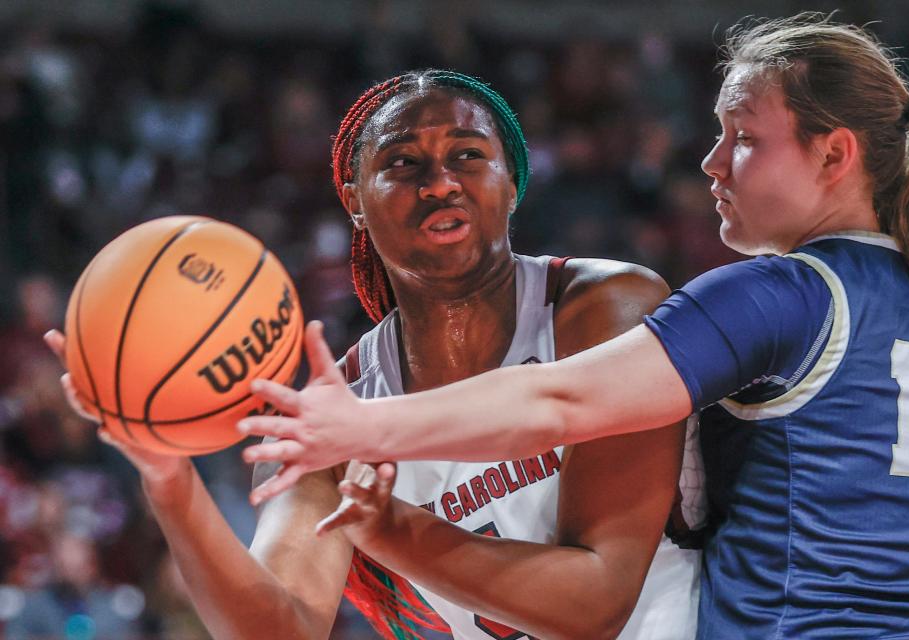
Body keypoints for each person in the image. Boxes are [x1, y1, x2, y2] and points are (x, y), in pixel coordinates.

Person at [239, 16, 909, 639]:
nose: (710, 162)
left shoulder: (782, 295)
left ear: (835, 154)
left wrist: (362, 428)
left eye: (741, 137)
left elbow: (561, 401)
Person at [48, 69, 704, 639]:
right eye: (402, 163)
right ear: (354, 201)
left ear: (512, 183)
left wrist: (390, 527)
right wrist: (169, 481)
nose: (440, 182)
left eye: (469, 155)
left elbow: (598, 606)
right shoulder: (340, 408)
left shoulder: (604, 306)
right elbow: (279, 629)